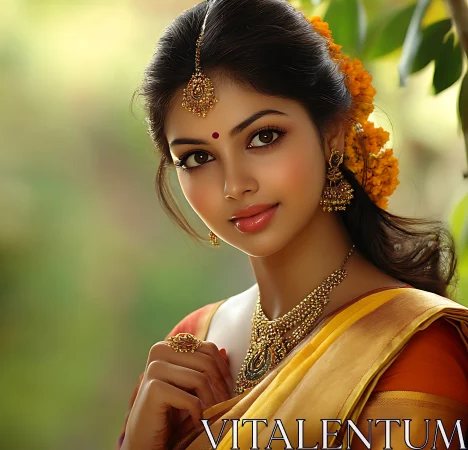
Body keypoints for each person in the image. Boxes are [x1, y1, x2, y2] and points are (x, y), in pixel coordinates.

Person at [117, 0, 468, 449]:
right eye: (198, 157)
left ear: (332, 134)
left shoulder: (411, 346)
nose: (234, 185)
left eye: (263, 137)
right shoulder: (188, 344)